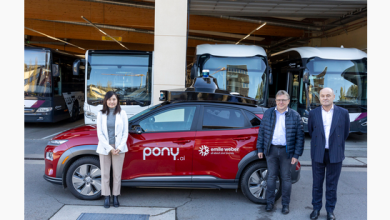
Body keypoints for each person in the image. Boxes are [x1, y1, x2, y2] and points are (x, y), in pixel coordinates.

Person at [257, 90, 304, 214]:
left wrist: (296, 155)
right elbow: (262, 132)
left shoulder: (295, 115)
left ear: (288, 101)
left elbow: (300, 137)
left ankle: (285, 205)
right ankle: (270, 203)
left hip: (287, 152)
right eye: (278, 100)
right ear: (275, 101)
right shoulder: (268, 113)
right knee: (271, 177)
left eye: (283, 100)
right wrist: (260, 149)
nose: (281, 102)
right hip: (271, 150)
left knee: (286, 178)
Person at [308, 87, 350, 220]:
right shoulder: (313, 113)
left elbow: (345, 133)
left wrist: (335, 145)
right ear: (319, 98)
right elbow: (311, 131)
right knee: (317, 184)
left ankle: (330, 210)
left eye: (328, 95)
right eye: (322, 96)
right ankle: (316, 209)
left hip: (335, 154)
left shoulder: (343, 113)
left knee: (332, 185)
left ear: (333, 97)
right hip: (318, 153)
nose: (325, 98)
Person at [96, 91, 128, 208]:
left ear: (117, 100)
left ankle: (115, 196)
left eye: (114, 99)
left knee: (117, 174)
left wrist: (119, 147)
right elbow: (100, 133)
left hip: (119, 148)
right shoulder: (100, 114)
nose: (112, 102)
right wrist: (109, 148)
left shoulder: (122, 113)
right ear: (106, 101)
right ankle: (106, 196)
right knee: (105, 173)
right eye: (109, 99)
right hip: (105, 148)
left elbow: (125, 133)